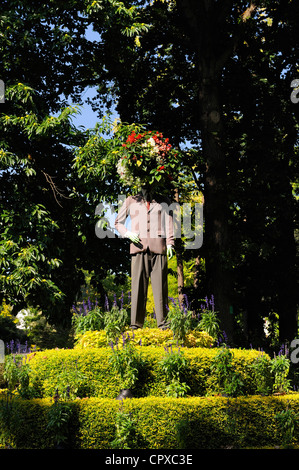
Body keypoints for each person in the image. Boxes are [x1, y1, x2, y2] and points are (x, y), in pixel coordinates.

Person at [114, 185, 174, 329]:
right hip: (138, 247)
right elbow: (118, 223)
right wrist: (127, 233)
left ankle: (163, 324)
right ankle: (136, 325)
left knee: (161, 288)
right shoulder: (131, 200)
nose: (147, 188)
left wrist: (170, 243)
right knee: (137, 287)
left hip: (159, 247)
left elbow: (170, 224)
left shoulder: (164, 201)